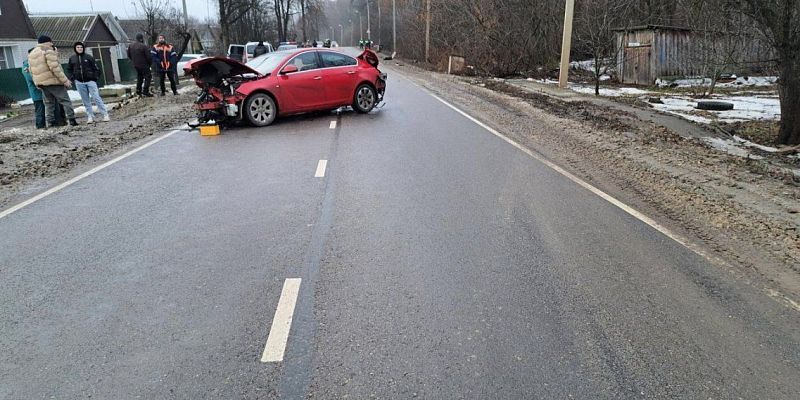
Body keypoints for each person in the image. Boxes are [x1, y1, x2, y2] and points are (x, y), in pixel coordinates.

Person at [28, 35, 78, 127]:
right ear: (48, 42)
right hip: (53, 82)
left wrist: (37, 83)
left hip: (42, 83)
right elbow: (55, 68)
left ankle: (50, 122)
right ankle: (72, 120)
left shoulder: (32, 54)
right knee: (65, 100)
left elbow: (31, 71)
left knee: (48, 103)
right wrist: (65, 80)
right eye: (51, 42)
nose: (52, 43)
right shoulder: (47, 51)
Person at [67, 42, 109, 123]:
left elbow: (96, 69)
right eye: (78, 47)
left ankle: (105, 114)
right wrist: (73, 78)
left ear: (83, 48)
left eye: (81, 47)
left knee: (96, 98)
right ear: (75, 48)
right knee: (85, 100)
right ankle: (90, 116)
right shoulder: (72, 58)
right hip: (79, 82)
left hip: (90, 81)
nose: (80, 48)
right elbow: (69, 69)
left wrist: (94, 78)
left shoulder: (89, 57)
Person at [21, 49, 45, 129]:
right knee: (40, 111)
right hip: (36, 92)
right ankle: (40, 127)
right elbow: (30, 77)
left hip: (45, 91)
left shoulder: (38, 63)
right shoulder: (26, 65)